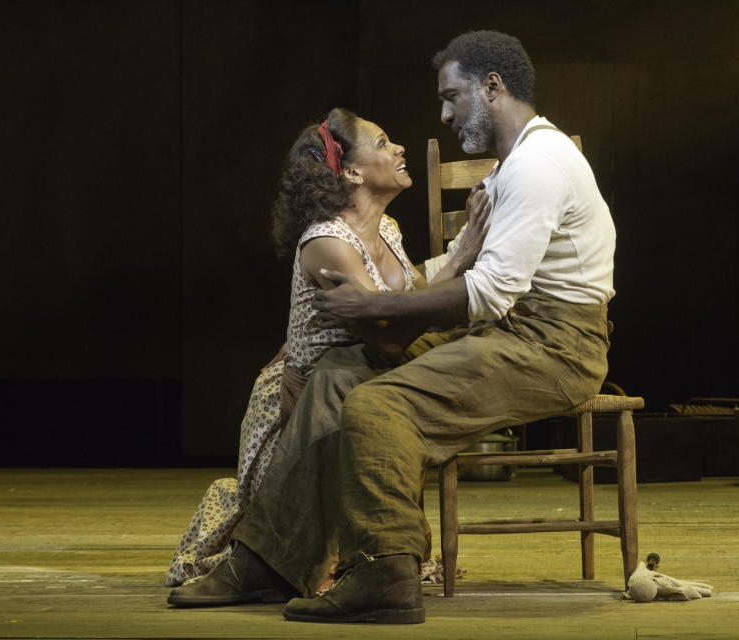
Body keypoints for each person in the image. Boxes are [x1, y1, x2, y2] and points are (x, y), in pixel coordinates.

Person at [167, 30, 616, 625]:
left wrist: (371, 311)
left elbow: (488, 292)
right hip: (511, 330)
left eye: (452, 96)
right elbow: (480, 285)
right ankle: (267, 560)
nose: (445, 113)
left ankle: (386, 571)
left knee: (378, 408)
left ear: (492, 86)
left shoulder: (538, 164)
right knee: (335, 376)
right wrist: (391, 305)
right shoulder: (518, 161)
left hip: (555, 346)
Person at [164, 106, 490, 589]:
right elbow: (388, 328)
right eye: (383, 143)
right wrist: (464, 257)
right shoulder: (327, 243)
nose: (399, 148)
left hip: (361, 378)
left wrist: (464, 251)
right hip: (302, 406)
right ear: (353, 171)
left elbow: (411, 303)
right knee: (302, 559)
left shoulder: (389, 230)